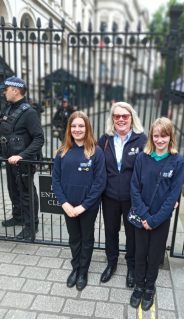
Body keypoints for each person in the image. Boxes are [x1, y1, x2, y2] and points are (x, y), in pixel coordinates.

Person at [129, 117, 184, 311]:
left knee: (154, 255)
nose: (160, 140)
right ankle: (138, 285)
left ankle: (149, 287)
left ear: (171, 137)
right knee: (140, 252)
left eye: (164, 136)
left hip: (160, 219)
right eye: (156, 136)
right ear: (151, 137)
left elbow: (173, 195)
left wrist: (154, 220)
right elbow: (134, 188)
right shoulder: (142, 158)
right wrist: (144, 216)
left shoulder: (177, 161)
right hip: (142, 216)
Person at [52, 111, 106, 291]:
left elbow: (100, 183)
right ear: (69, 129)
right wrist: (65, 203)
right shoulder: (62, 152)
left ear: (87, 127)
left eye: (81, 126)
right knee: (74, 238)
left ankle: (83, 271)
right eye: (74, 126)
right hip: (68, 206)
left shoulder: (96, 152)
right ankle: (75, 268)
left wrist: (83, 206)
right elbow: (56, 181)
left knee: (87, 238)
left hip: (87, 207)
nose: (77, 129)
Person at [98, 101, 147, 288]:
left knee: (132, 233)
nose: (120, 119)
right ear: (112, 119)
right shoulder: (105, 140)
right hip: (109, 196)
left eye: (124, 116)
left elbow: (148, 170)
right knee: (110, 231)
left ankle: (131, 267)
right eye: (116, 116)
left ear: (131, 118)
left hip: (132, 199)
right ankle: (111, 263)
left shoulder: (142, 140)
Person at [0, 76, 44, 239]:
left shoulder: (29, 112)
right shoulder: (9, 108)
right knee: (13, 190)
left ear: (15, 90)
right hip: (9, 159)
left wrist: (21, 156)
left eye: (6, 89)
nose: (4, 92)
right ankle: (18, 217)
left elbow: (39, 138)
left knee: (26, 193)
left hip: (23, 161)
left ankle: (31, 226)